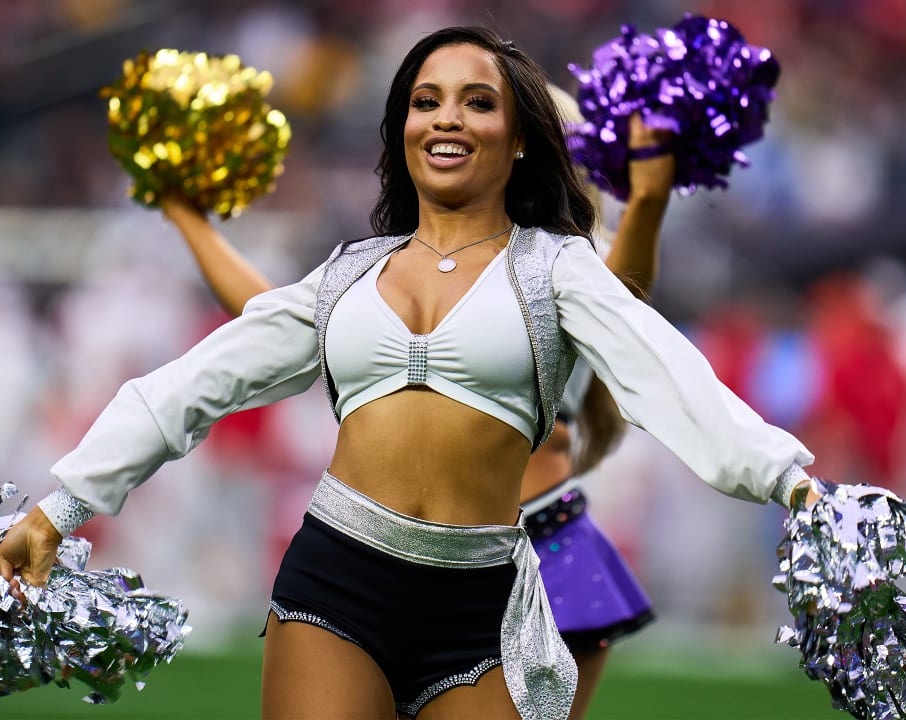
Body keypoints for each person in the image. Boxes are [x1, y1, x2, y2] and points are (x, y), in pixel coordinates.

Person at [0, 26, 817, 719]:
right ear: (400, 131)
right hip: (337, 582)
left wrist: (794, 484)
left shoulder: (561, 268)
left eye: (478, 101)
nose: (446, 118)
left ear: (521, 134)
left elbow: (672, 376)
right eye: (425, 101)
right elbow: (200, 380)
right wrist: (63, 506)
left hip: (483, 607)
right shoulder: (349, 272)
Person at [159, 90, 676, 716]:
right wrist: (187, 218)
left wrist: (649, 200)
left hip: (541, 553)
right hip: (412, 549)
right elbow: (276, 321)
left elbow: (628, 293)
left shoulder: (573, 268)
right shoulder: (424, 261)